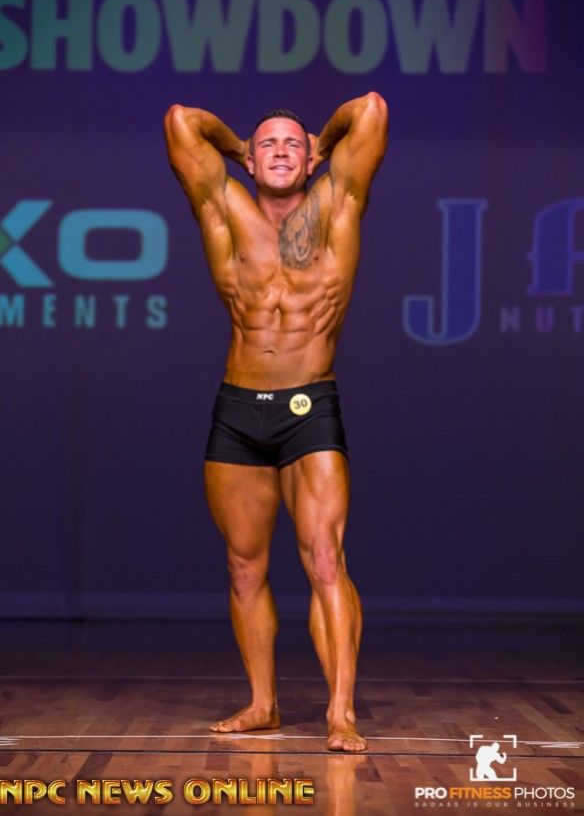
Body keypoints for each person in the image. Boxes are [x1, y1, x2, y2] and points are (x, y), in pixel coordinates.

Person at [164, 93, 388, 751]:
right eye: (268, 144)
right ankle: (263, 703)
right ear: (251, 160)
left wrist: (326, 138)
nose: (282, 151)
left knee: (325, 558)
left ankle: (341, 713)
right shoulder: (223, 207)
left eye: (293, 142)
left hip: (308, 405)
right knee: (243, 567)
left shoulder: (337, 204)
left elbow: (371, 109)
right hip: (238, 410)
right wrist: (236, 144)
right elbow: (181, 120)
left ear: (312, 156)